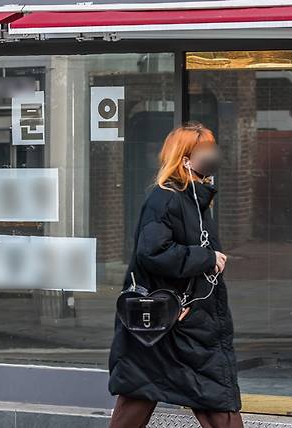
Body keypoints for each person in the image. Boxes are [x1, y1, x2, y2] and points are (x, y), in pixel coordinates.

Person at [107, 121, 244, 428]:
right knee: (212, 397)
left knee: (141, 393)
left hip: (178, 321)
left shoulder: (194, 198)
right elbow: (152, 252)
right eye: (205, 150)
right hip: (175, 322)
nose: (213, 156)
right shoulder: (167, 197)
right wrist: (206, 258)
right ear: (184, 158)